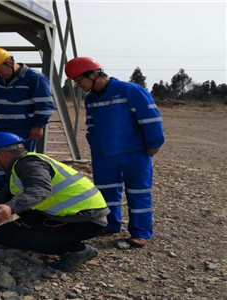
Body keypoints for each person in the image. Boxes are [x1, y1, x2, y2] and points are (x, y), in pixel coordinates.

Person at [0, 132, 110, 272]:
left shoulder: (28, 165)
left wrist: (9, 207)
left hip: (84, 221)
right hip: (83, 216)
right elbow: (4, 195)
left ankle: (78, 249)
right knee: (22, 216)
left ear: (1, 154)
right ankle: (54, 237)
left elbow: (40, 189)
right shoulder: (27, 162)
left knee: (5, 235)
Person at [64, 57, 165, 248]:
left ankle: (141, 232)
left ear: (94, 74)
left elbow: (151, 118)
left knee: (138, 192)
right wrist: (95, 146)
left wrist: (153, 142)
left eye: (79, 80)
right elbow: (91, 125)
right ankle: (110, 224)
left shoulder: (130, 91)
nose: (78, 85)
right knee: (106, 192)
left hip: (134, 152)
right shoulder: (92, 98)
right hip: (104, 154)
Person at [0, 47, 55, 197]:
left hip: (21, 130)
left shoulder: (35, 78)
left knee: (18, 163)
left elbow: (45, 105)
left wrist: (38, 126)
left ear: (10, 62)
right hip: (0, 128)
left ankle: (16, 196)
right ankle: (0, 194)